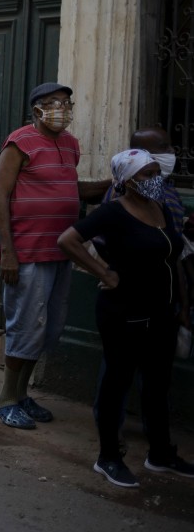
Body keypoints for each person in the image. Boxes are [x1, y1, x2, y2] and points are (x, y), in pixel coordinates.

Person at [58, 149, 194, 487]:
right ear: (127, 180)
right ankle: (108, 457)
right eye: (146, 175)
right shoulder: (112, 213)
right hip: (124, 314)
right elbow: (68, 240)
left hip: (162, 313)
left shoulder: (159, 209)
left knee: (158, 385)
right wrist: (105, 272)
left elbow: (173, 258)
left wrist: (183, 305)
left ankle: (161, 454)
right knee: (117, 384)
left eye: (154, 173)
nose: (154, 180)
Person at [0, 82, 108, 430]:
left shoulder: (71, 145)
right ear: (37, 109)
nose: (63, 109)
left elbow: (71, 189)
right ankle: (5, 400)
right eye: (54, 103)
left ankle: (22, 394)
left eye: (67, 103)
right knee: (25, 326)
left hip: (60, 251)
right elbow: (0, 195)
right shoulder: (20, 142)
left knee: (49, 329)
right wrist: (8, 253)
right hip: (26, 252)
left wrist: (115, 181)